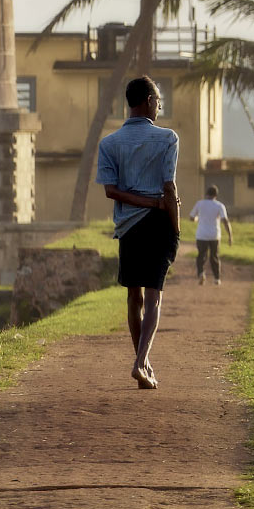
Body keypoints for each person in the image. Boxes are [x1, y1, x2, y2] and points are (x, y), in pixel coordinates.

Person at [96, 75, 180, 390]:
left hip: (128, 226)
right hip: (158, 222)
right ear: (147, 100)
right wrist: (175, 224)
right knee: (155, 296)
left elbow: (111, 192)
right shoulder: (168, 138)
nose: (159, 106)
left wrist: (141, 202)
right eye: (158, 101)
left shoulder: (109, 143)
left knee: (134, 295)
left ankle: (141, 363)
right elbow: (169, 186)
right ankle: (140, 362)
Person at [190, 185, 233, 286]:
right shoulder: (219, 205)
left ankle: (201, 273)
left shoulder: (199, 204)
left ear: (206, 194)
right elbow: (225, 221)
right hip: (214, 235)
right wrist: (230, 235)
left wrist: (198, 219)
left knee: (201, 256)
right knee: (214, 257)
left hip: (201, 235)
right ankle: (217, 279)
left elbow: (192, 217)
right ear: (216, 195)